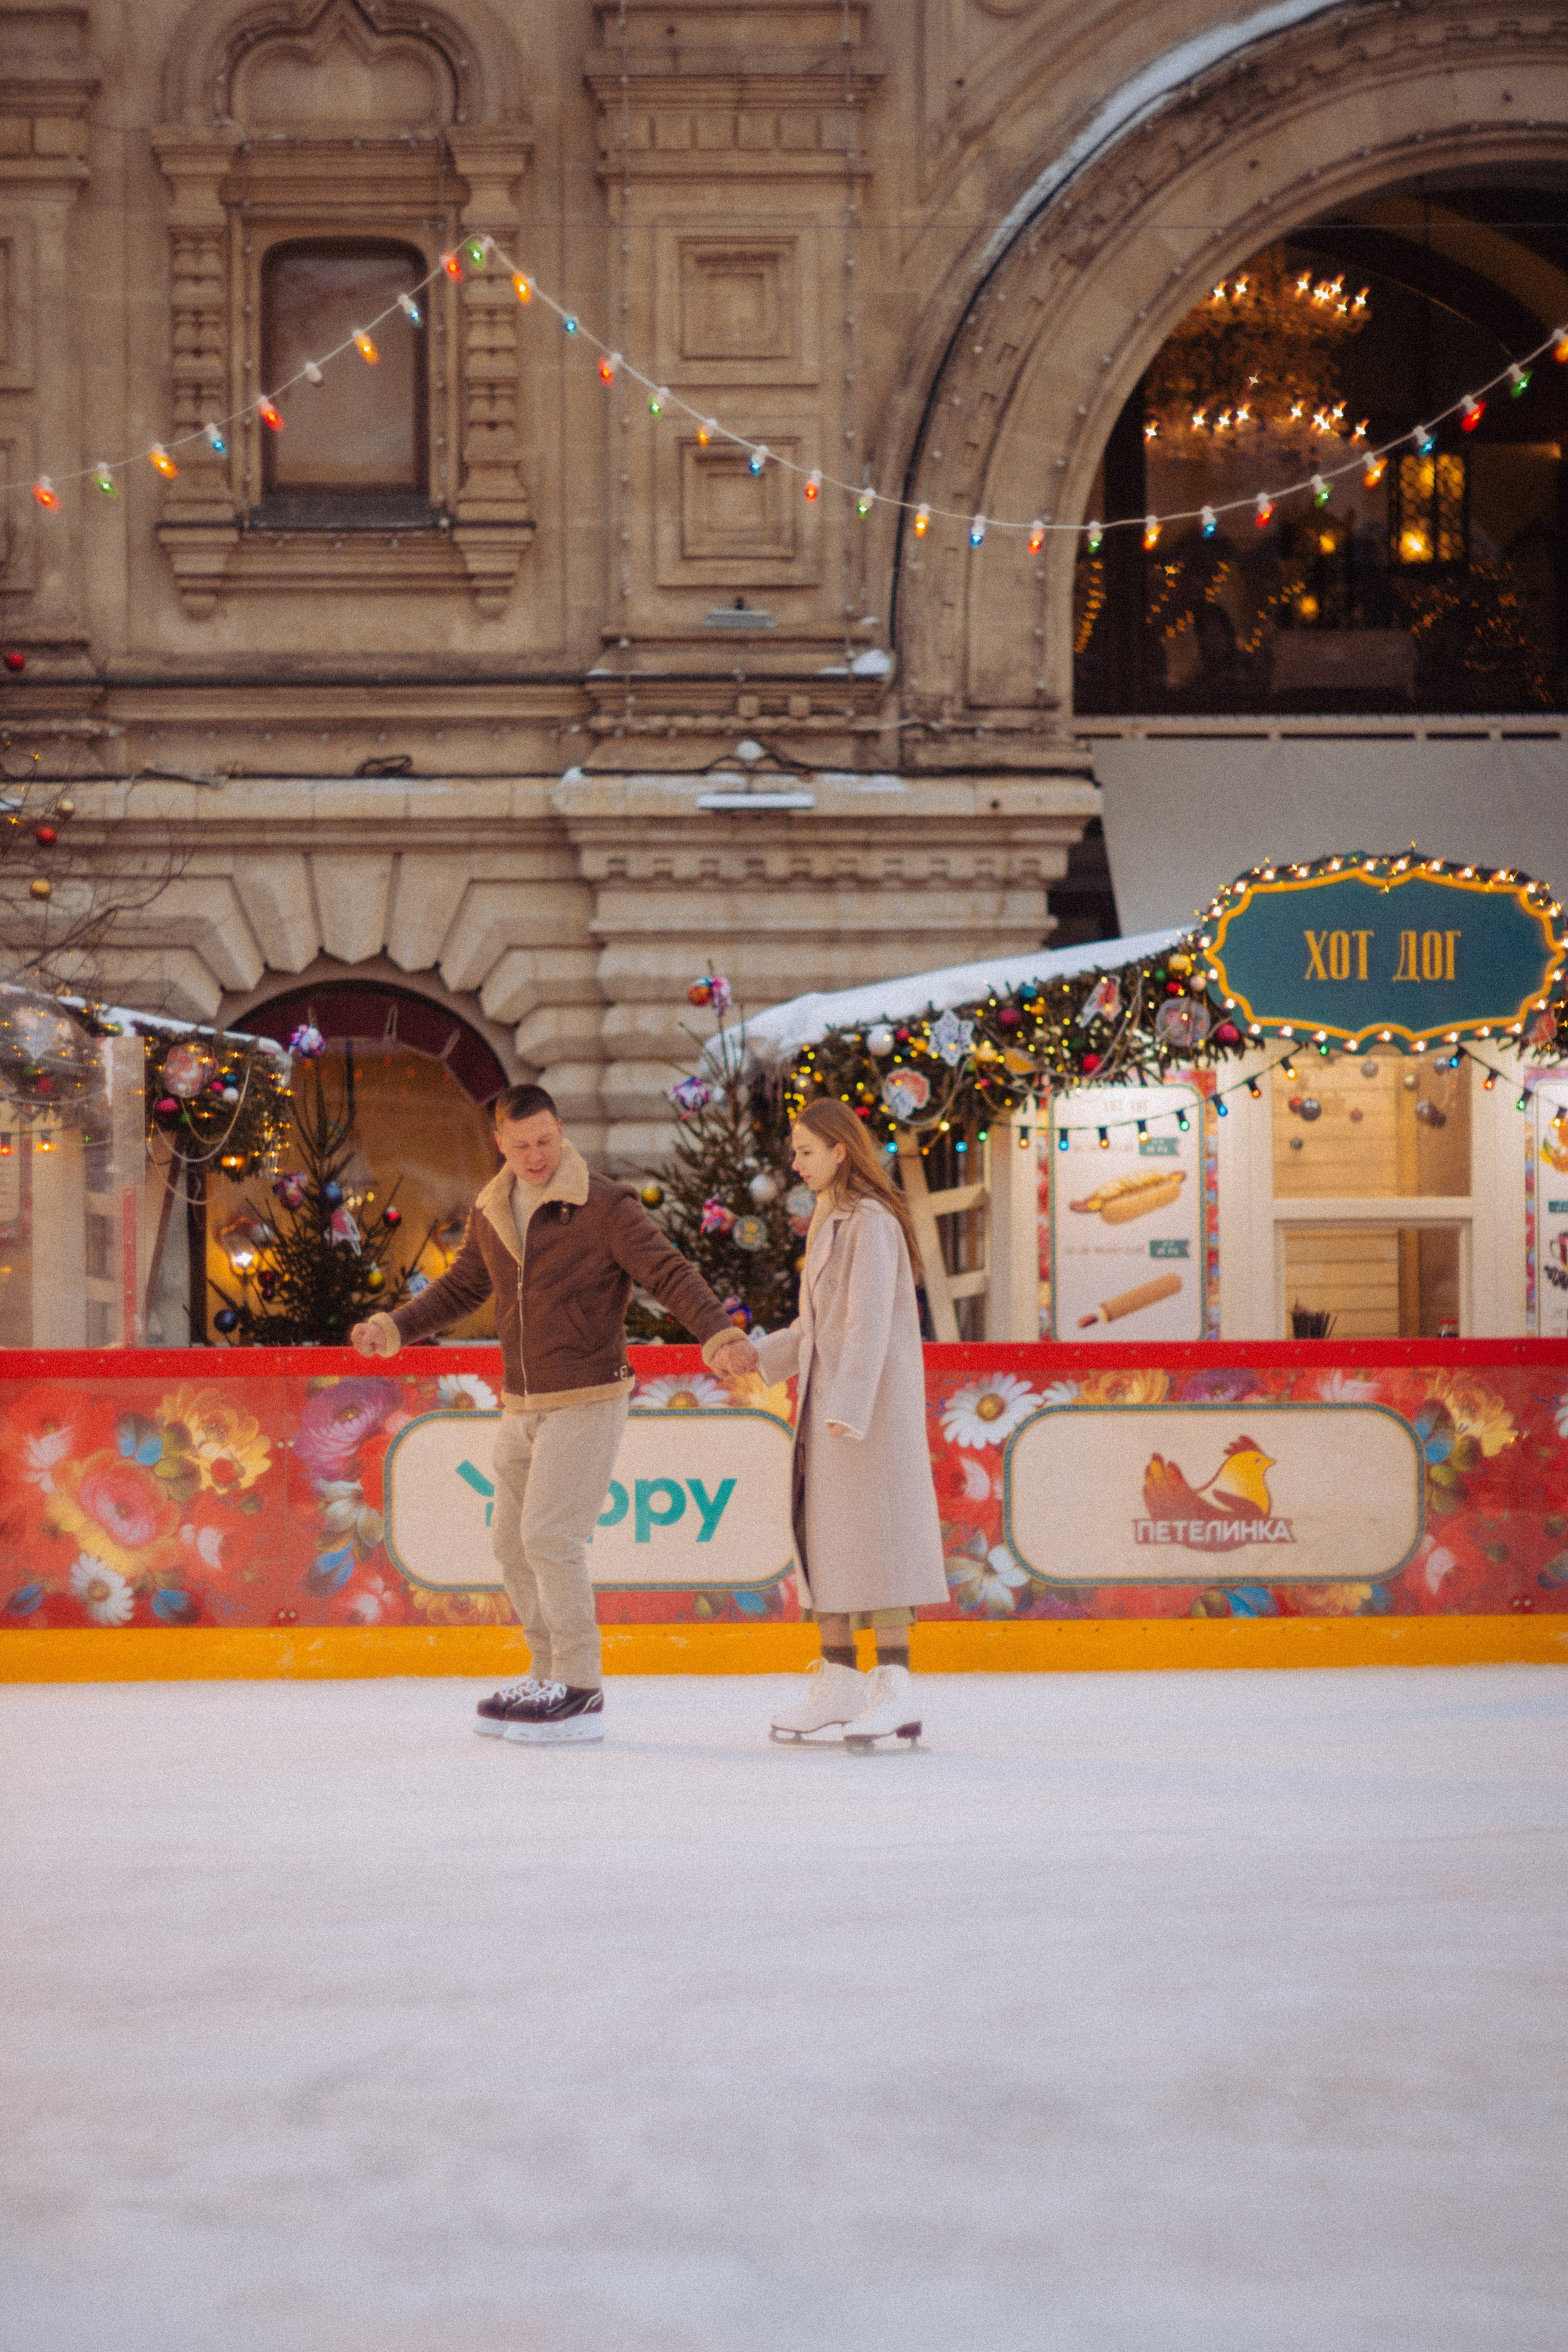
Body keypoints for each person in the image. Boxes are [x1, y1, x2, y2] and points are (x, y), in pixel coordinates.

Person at [351, 1084, 756, 1743]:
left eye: (545, 1141)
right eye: (521, 1146)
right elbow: (462, 1287)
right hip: (522, 1402)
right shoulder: (494, 1205)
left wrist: (719, 1332)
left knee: (548, 1538)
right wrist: (394, 1328)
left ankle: (580, 1684)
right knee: (511, 1544)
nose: (536, 1156)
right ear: (500, 1144)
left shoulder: (604, 1207)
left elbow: (668, 1271)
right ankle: (546, 1671)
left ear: (560, 1131)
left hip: (588, 1396)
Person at [747, 1096, 946, 1747]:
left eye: (805, 1151)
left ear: (840, 1150)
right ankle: (839, 1682)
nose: (796, 1164)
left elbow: (868, 1325)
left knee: (879, 1548)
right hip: (832, 1414)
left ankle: (893, 1687)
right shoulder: (833, 1219)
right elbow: (819, 1327)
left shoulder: (872, 1222)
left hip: (863, 1420)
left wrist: (849, 1409)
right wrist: (758, 1358)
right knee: (828, 1546)